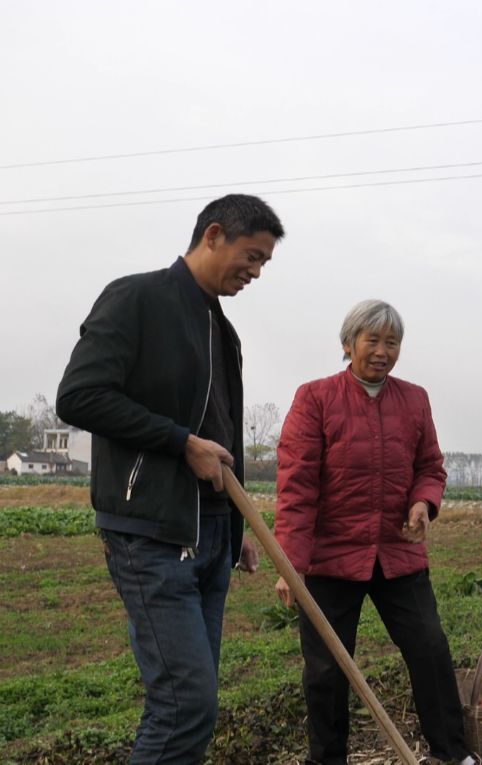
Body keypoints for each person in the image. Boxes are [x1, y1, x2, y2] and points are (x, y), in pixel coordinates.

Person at [56, 194, 285, 763]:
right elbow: (79, 397)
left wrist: (238, 526)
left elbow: (223, 439)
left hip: (209, 536)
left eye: (263, 264)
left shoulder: (221, 330)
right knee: (185, 704)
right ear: (213, 235)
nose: (255, 273)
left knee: (195, 706)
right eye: (251, 256)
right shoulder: (137, 299)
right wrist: (179, 442)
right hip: (151, 536)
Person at [274, 299, 474, 765]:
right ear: (349, 344)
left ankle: (452, 753)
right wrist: (290, 565)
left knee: (429, 647)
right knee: (326, 669)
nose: (383, 351)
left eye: (392, 342)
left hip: (397, 553)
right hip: (331, 558)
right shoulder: (316, 398)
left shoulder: (414, 400)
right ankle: (328, 760)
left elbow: (430, 467)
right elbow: (297, 486)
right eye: (373, 340)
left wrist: (423, 503)